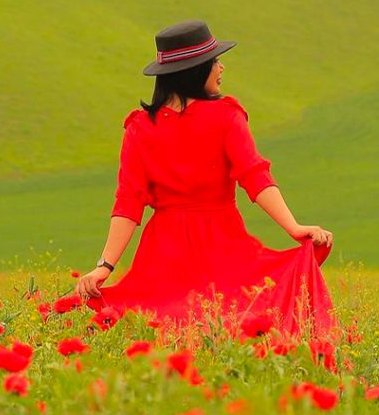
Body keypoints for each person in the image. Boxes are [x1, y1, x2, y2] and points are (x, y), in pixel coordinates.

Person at [60, 19, 337, 339]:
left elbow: (128, 204)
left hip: (165, 252)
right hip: (220, 245)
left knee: (163, 326)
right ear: (194, 69)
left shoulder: (139, 128)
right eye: (214, 61)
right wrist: (293, 227)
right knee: (236, 321)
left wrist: (105, 266)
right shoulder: (227, 116)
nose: (221, 68)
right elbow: (255, 176)